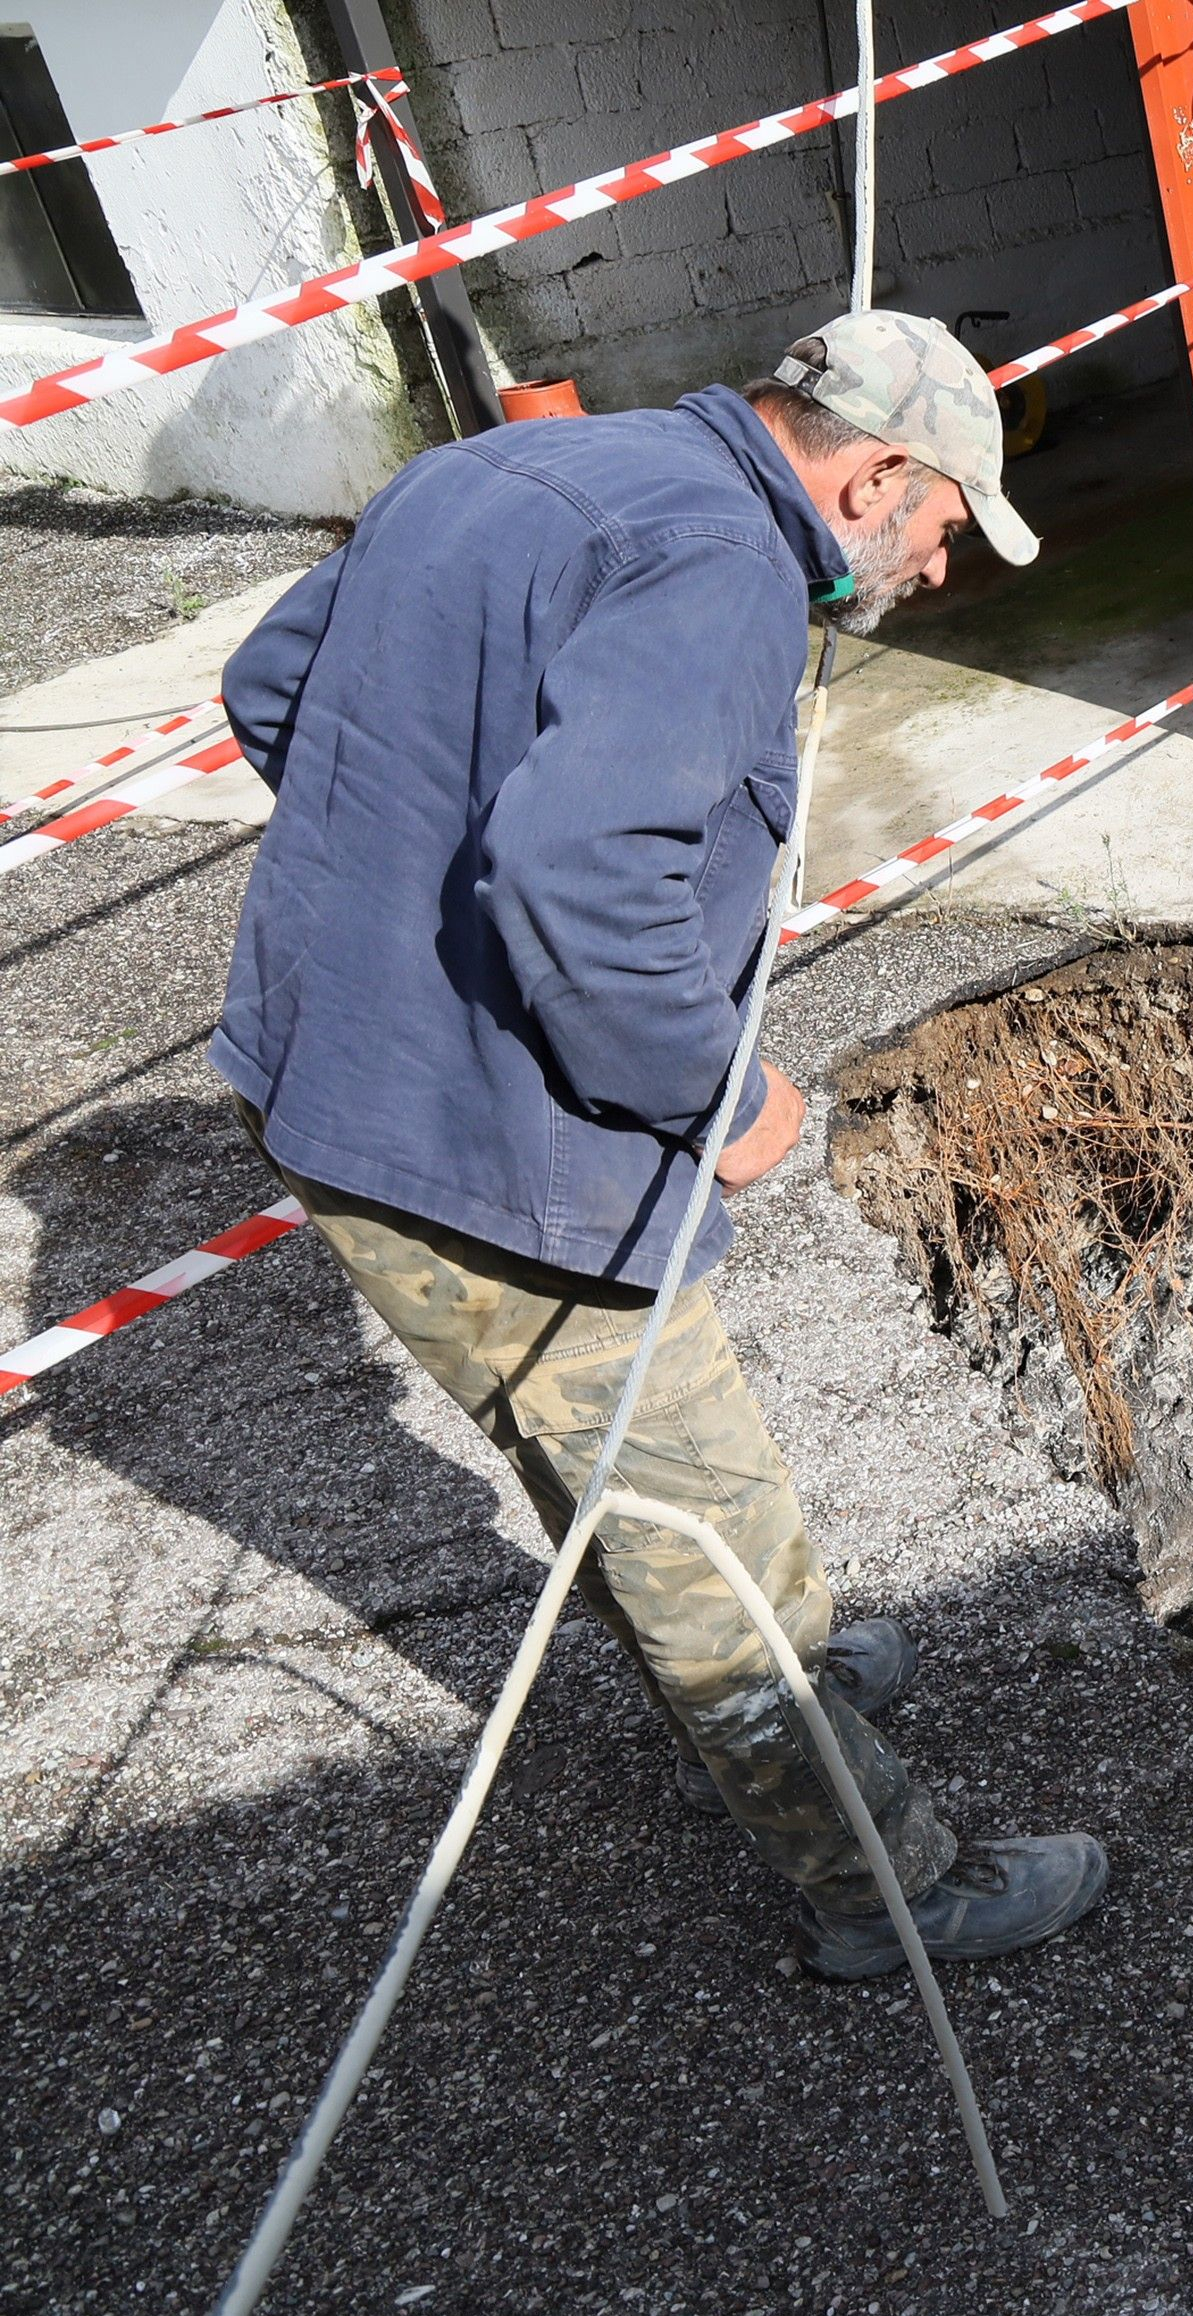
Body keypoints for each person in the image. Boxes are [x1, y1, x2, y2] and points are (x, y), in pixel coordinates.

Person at [207, 311, 1104, 1979]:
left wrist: (404, 910)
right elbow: (580, 884)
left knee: (612, 1472)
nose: (934, 564)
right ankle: (886, 1888)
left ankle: (797, 1672)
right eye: (940, 526)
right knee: (698, 1510)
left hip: (322, 1084)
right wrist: (724, 1095)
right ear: (877, 474)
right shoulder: (724, 575)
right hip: (479, 1150)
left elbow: (272, 692)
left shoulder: (516, 464)